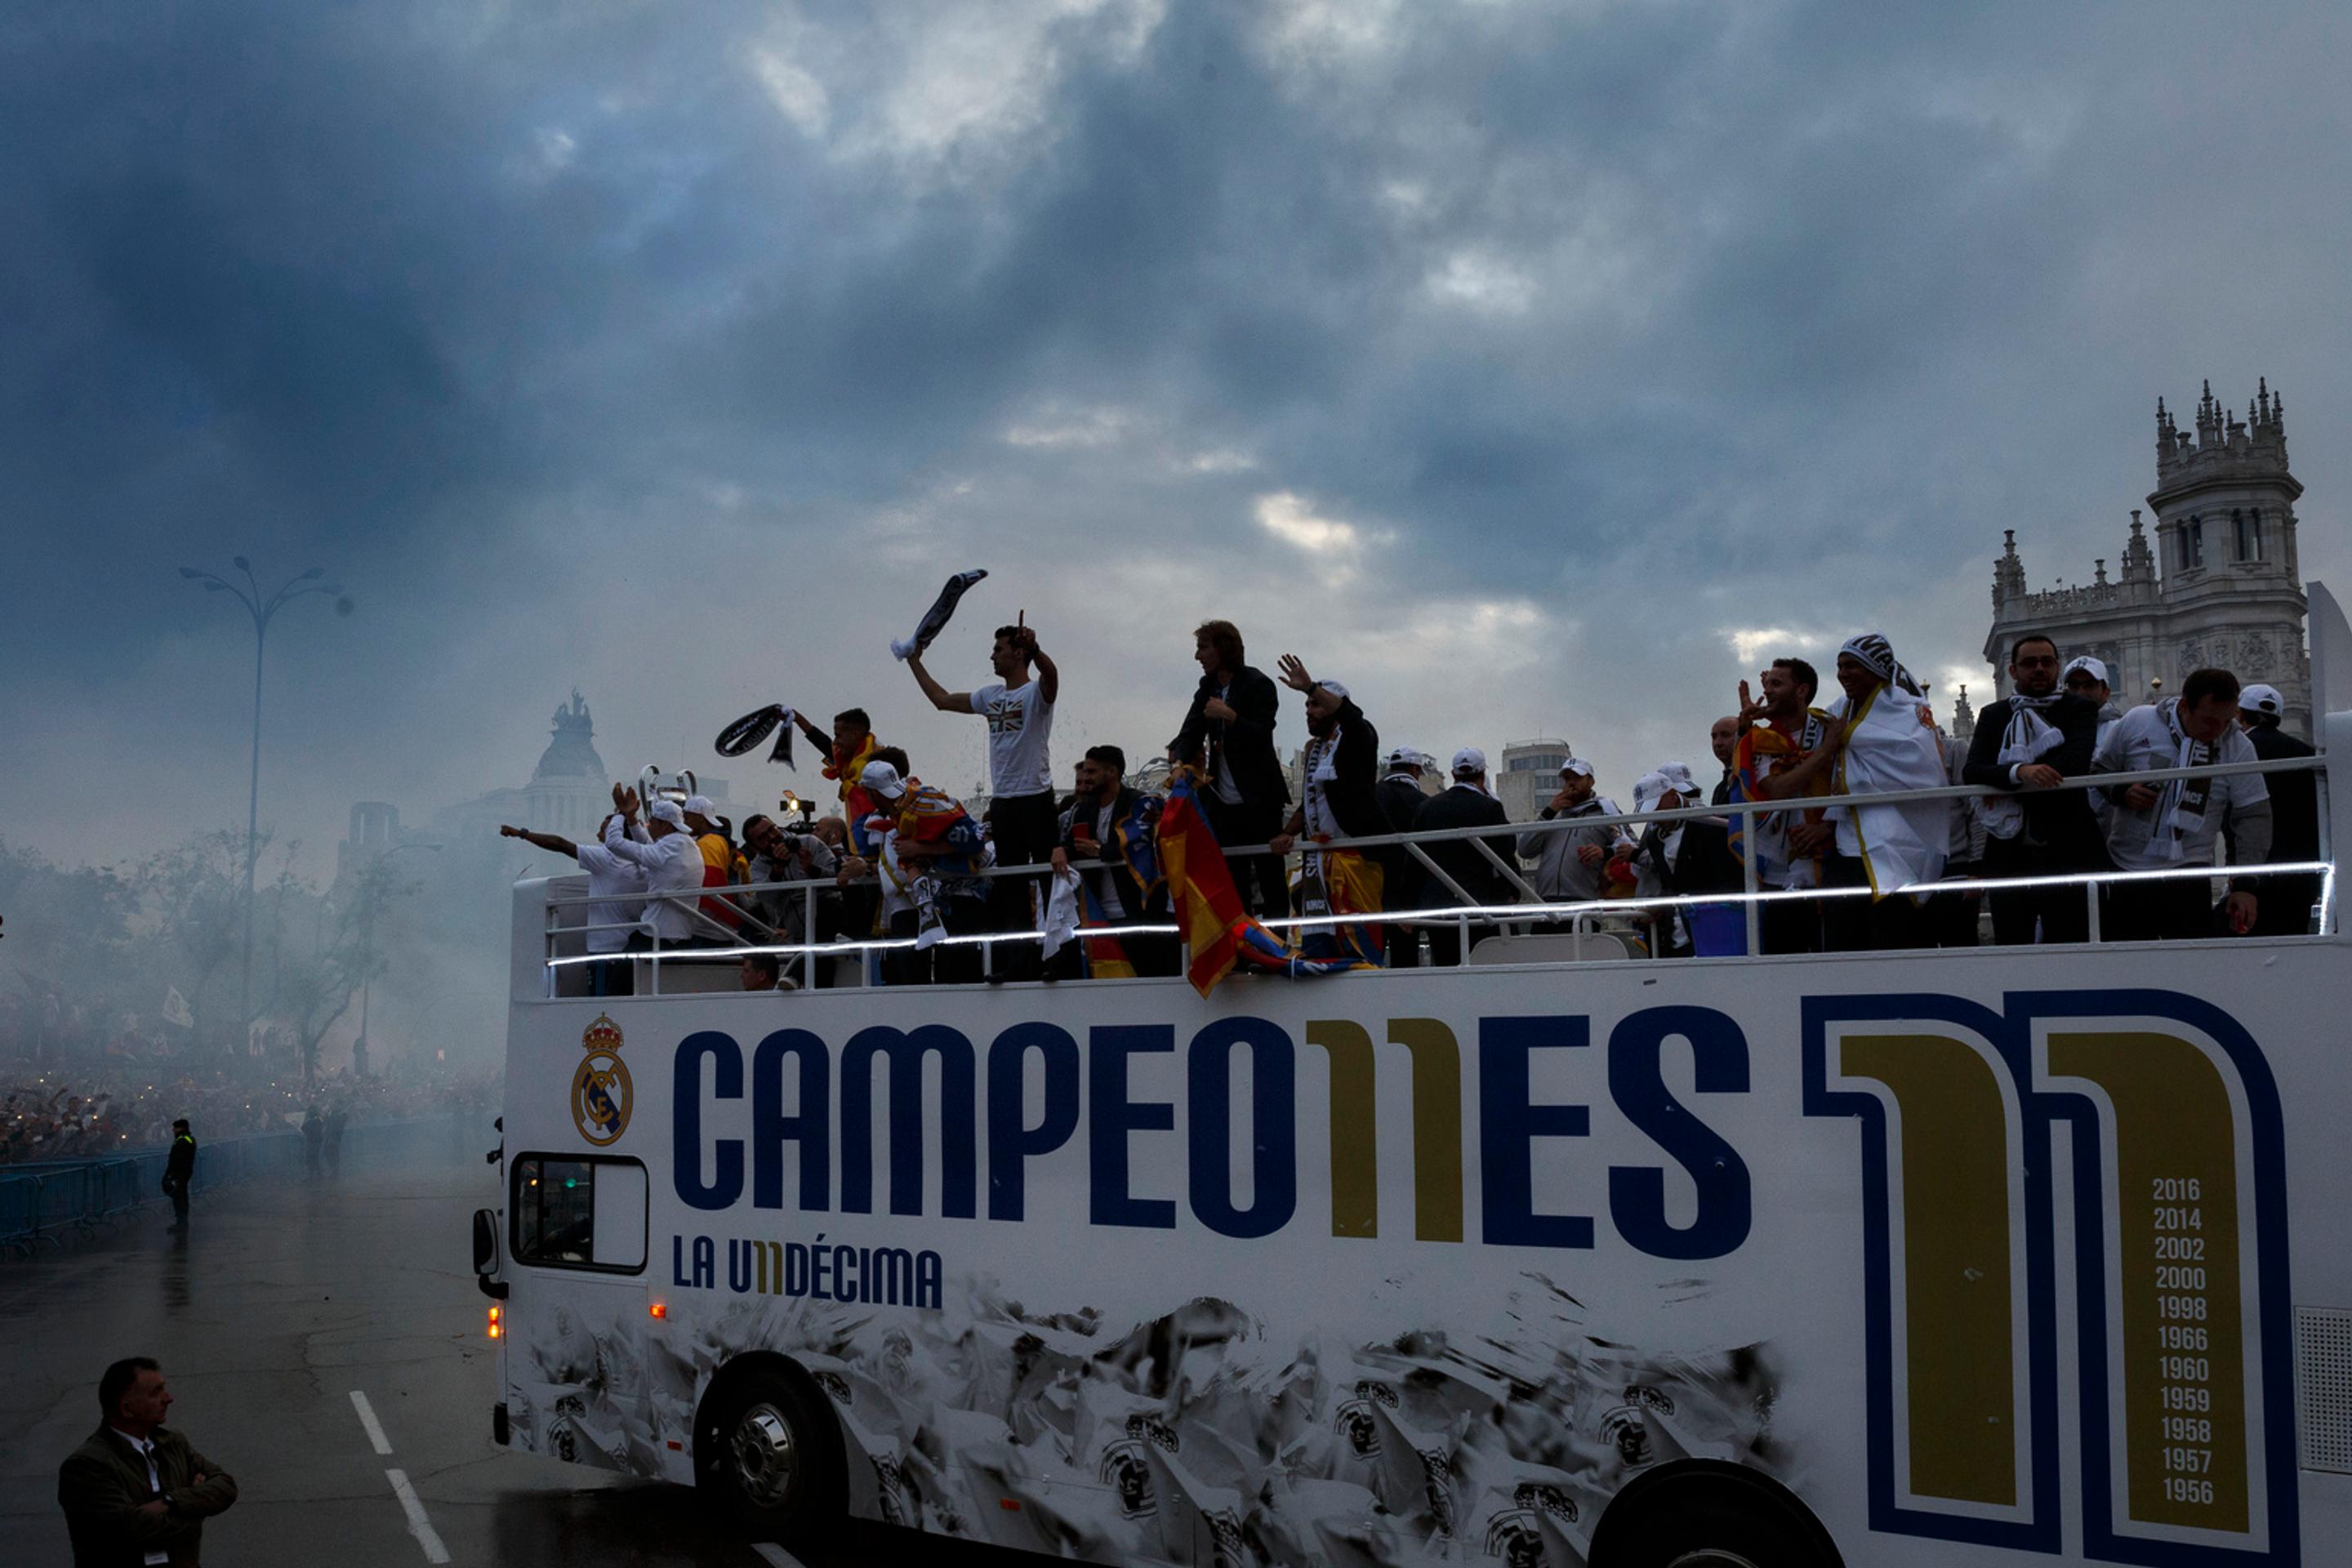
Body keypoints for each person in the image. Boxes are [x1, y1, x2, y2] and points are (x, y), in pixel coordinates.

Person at [906, 623, 1058, 979]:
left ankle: (1057, 959)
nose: (993, 655)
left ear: (1018, 653)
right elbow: (942, 701)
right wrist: (914, 662)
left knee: (1050, 881)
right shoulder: (990, 695)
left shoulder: (1036, 693)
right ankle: (1018, 962)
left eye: (999, 649)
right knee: (1012, 885)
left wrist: (1036, 648)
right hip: (1003, 802)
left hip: (1036, 796)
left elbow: (1051, 675)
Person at [2093, 667, 2272, 941]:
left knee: (2189, 966)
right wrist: (2122, 792)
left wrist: (2245, 885)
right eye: (2210, 721)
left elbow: (2253, 817)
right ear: (2185, 706)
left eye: (2228, 721)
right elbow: (2099, 771)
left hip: (2190, 871)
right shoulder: (2138, 721)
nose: (2219, 730)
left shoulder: (2238, 746)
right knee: (2127, 967)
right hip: (2126, 868)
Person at [1962, 633, 2111, 944]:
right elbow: (1973, 769)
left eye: (2047, 662)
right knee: (2012, 943)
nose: (2039, 669)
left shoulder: (2079, 708)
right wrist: (2021, 771)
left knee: (2071, 942)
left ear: (2057, 668)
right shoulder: (1994, 715)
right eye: (2029, 663)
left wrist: (2005, 777)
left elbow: (2075, 763)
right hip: (2009, 853)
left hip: (2069, 848)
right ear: (2013, 671)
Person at [1818, 634, 1951, 951]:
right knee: (1844, 941)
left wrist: (1849, 743)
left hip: (1897, 841)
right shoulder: (1838, 712)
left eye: (1853, 666)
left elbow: (1926, 773)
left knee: (1895, 936)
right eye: (1840, 666)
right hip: (1847, 842)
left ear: (1876, 669)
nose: (1843, 674)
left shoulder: (1910, 714)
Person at [59, 1356, 238, 1566]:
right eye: (156, 1392)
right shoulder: (87, 1465)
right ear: (127, 1408)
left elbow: (225, 1486)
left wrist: (169, 1502)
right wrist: (195, 1510)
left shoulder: (173, 1444)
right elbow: (128, 1529)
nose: (168, 1398)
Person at [1169, 620, 1290, 917]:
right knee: (1231, 877)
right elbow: (1190, 732)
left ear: (1223, 648)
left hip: (1259, 800)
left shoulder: (1258, 684)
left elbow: (1263, 732)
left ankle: (1276, 950)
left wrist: (1230, 716)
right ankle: (1241, 948)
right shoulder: (1206, 688)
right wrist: (1179, 764)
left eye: (1203, 648)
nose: (1198, 656)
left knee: (1269, 877)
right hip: (1222, 802)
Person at [1727, 657, 1836, 954]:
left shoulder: (1831, 727)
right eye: (1767, 684)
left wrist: (1827, 827)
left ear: (1802, 691)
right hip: (1777, 872)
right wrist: (1825, 753)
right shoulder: (1764, 738)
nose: (1769, 691)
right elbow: (1778, 791)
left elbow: (1853, 788)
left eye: (1777, 684)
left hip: (1832, 860)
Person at [853, 760, 991, 986]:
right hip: (939, 901)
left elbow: (975, 842)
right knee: (932, 979)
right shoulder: (900, 809)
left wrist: (922, 849)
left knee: (958, 978)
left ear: (871, 793)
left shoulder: (925, 803)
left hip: (961, 898)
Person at [501, 786, 648, 996]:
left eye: (603, 831)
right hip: (628, 948)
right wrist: (629, 817)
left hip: (603, 951)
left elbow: (560, 844)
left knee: (602, 1007)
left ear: (617, 835)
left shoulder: (607, 859)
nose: (598, 835)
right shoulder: (645, 863)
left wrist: (522, 833)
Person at [1049, 745, 1176, 978]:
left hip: (1140, 912)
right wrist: (1061, 849)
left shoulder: (1141, 803)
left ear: (1112, 772)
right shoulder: (1083, 809)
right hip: (1098, 916)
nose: (1085, 779)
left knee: (1149, 977)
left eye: (1091, 772)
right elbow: (1072, 844)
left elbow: (1138, 844)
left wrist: (1099, 850)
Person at [1410, 748, 1517, 966]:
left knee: (1445, 965)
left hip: (1437, 904)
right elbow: (1504, 853)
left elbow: (1414, 860)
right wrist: (1514, 889)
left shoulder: (1427, 808)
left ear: (1453, 774)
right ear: (1482, 775)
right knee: (1482, 964)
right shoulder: (1490, 808)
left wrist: (1408, 902)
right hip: (1480, 903)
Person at [2236, 683, 2320, 937]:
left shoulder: (2238, 752)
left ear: (2240, 714)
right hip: (2302, 871)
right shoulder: (2307, 753)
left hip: (2254, 871)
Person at [1519, 758, 1633, 910]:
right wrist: (1548, 812)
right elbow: (1525, 850)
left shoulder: (1606, 812)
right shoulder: (1554, 815)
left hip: (1583, 901)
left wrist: (1604, 852)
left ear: (1591, 781)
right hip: (1545, 903)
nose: (1571, 783)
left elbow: (1631, 845)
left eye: (1577, 778)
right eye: (1567, 779)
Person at [741, 813, 840, 984]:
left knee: (825, 908)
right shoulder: (758, 867)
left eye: (772, 829)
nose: (772, 837)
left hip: (827, 917)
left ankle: (794, 975)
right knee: (819, 959)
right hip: (796, 931)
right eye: (763, 837)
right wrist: (777, 870)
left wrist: (811, 869)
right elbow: (765, 898)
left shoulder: (810, 842)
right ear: (755, 847)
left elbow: (838, 879)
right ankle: (797, 977)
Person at [599, 794, 706, 951]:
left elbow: (613, 842)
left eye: (652, 823)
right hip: (681, 934)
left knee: (620, 971)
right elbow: (650, 847)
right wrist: (631, 819)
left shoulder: (665, 851)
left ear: (665, 826)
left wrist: (620, 814)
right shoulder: (687, 845)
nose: (648, 826)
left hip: (657, 933)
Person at [1373, 746, 1431, 967]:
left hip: (1370, 889)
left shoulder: (1373, 795)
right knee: (1405, 960)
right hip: (1407, 894)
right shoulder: (1424, 803)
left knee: (1368, 957)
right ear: (1415, 770)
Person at [160, 1119, 195, 1233]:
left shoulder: (182, 1141)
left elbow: (175, 1160)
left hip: (180, 1173)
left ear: (181, 1128)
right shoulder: (188, 1139)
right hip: (185, 1171)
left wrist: (169, 1174)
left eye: (175, 1127)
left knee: (179, 1198)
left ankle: (181, 1223)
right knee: (182, 1197)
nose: (173, 1129)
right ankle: (182, 1222)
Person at [1708, 716, 1740, 805]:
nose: (1718, 743)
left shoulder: (1749, 780)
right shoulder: (1719, 789)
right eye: (1714, 737)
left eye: (1725, 735)